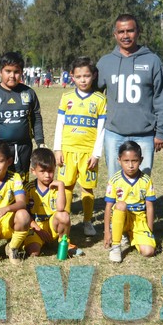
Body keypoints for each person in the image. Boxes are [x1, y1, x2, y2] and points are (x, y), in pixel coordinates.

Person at [97, 14, 163, 178]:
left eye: (130, 30)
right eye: (121, 31)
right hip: (113, 133)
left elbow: (161, 97)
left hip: (144, 134)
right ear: (115, 34)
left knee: (141, 184)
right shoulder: (105, 62)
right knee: (115, 182)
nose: (125, 35)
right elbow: (93, 94)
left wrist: (160, 132)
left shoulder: (152, 60)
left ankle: (140, 206)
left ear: (138, 32)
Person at [53, 57, 107, 236]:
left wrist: (96, 154)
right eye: (78, 76)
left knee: (87, 187)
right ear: (72, 77)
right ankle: (64, 218)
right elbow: (60, 123)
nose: (83, 80)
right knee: (66, 186)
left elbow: (101, 129)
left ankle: (87, 221)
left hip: (88, 152)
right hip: (67, 150)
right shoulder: (66, 97)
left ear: (94, 76)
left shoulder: (100, 99)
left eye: (86, 76)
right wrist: (57, 148)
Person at [0, 51, 44, 178]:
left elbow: (36, 118)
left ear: (22, 72)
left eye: (16, 71)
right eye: (8, 71)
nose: (12, 75)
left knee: (21, 180)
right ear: (0, 71)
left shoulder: (29, 93)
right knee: (1, 181)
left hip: (23, 147)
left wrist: (40, 141)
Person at [103, 141, 156, 263]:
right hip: (122, 216)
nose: (130, 165)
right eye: (126, 161)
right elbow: (108, 207)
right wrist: (107, 232)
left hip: (139, 220)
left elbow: (149, 207)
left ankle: (130, 235)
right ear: (119, 160)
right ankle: (116, 246)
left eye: (135, 161)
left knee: (148, 252)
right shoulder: (115, 180)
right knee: (121, 204)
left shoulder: (146, 181)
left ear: (141, 160)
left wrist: (150, 230)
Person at [24, 148, 73, 257]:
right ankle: (37, 241)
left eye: (50, 171)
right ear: (33, 171)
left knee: (64, 216)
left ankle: (63, 242)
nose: (47, 175)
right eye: (42, 171)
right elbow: (25, 213)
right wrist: (38, 230)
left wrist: (61, 186)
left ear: (55, 168)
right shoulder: (29, 189)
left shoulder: (57, 187)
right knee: (33, 252)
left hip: (52, 224)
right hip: (36, 226)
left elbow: (60, 209)